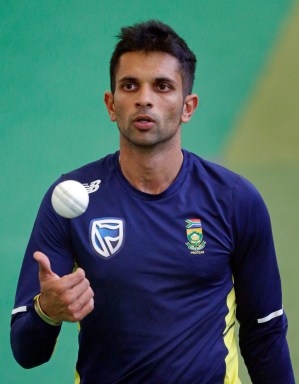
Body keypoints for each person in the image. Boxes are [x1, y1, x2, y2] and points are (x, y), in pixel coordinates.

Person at [11, 20, 295, 384]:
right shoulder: (68, 199)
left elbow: (265, 333)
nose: (145, 98)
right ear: (111, 104)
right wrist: (46, 310)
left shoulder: (235, 200)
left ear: (187, 106)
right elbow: (26, 352)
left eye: (162, 86)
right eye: (130, 85)